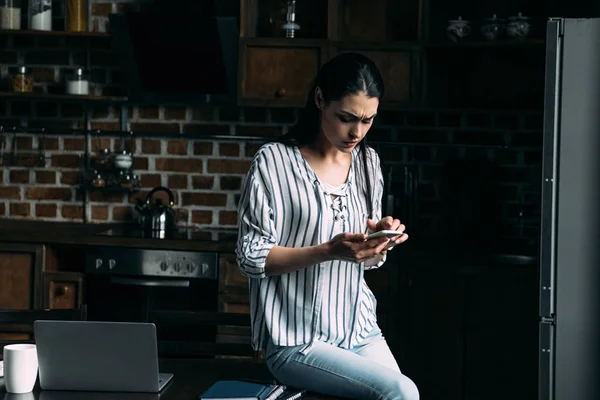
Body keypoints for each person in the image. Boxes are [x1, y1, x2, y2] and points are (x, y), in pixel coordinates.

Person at [235, 52, 419, 400]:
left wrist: (379, 239)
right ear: (320, 100)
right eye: (347, 117)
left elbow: (366, 260)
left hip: (358, 328)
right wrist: (327, 252)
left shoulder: (368, 163)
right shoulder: (273, 162)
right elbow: (250, 257)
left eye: (368, 120)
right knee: (400, 391)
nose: (357, 132)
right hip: (296, 339)